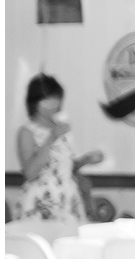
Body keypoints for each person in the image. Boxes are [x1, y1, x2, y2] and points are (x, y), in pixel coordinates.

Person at [16, 74, 103, 222]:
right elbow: (30, 172)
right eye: (46, 99)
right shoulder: (27, 131)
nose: (53, 104)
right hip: (42, 200)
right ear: (34, 102)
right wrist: (51, 138)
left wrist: (86, 159)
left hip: (67, 198)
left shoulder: (61, 126)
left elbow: (64, 168)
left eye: (55, 98)